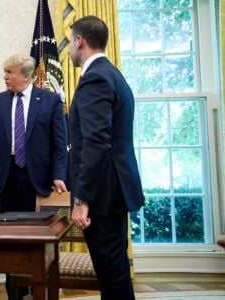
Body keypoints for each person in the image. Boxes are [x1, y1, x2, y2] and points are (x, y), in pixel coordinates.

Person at [0, 54, 68, 299]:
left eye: (9, 72)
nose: (5, 77)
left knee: (33, 239)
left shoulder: (51, 100)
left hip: (38, 180)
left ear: (25, 75)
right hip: (8, 176)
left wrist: (58, 174)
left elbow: (59, 141)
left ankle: (36, 288)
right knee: (9, 238)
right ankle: (15, 292)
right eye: (5, 72)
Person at [68, 16, 145, 300]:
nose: (69, 50)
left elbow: (96, 143)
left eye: (70, 43)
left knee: (112, 277)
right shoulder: (113, 73)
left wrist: (82, 199)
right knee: (115, 274)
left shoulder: (95, 77)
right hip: (114, 190)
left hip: (102, 195)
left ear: (80, 41)